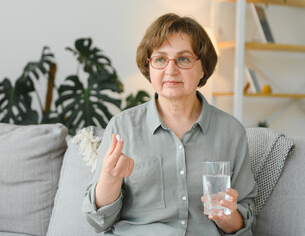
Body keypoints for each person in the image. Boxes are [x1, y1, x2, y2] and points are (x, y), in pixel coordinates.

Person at [82, 13, 257, 236]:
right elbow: (98, 222)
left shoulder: (231, 132)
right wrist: (110, 179)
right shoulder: (122, 127)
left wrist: (227, 216)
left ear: (203, 68)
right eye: (160, 59)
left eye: (183, 59)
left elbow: (245, 221)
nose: (171, 69)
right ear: (150, 67)